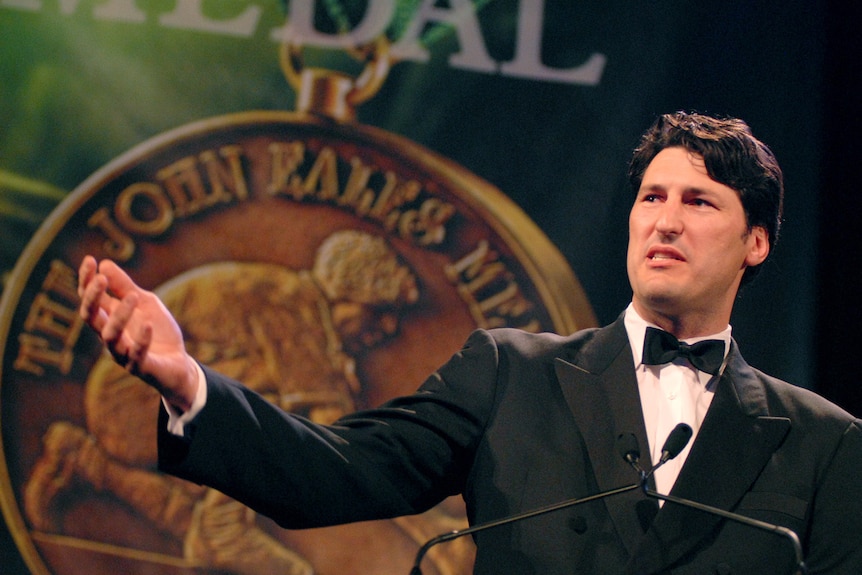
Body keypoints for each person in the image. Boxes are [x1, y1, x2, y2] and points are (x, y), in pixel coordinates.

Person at [77, 111, 862, 575]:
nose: (664, 219)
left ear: (755, 242)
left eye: (699, 202)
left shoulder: (824, 443)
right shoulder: (507, 373)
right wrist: (187, 383)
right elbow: (334, 473)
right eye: (651, 195)